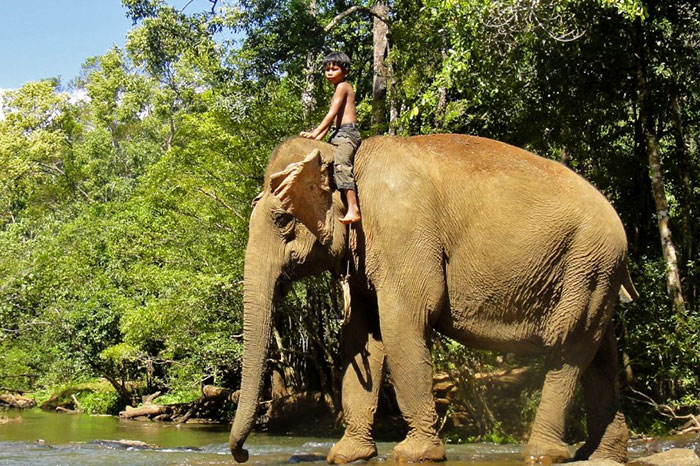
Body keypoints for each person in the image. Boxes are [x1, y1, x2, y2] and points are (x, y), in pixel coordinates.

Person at [300, 51, 361, 224]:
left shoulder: (344, 87)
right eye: (327, 69)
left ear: (345, 71)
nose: (329, 72)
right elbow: (332, 124)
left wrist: (315, 132)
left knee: (341, 164)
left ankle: (353, 208)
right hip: (336, 133)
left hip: (347, 134)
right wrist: (317, 138)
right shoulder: (337, 89)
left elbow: (331, 113)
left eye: (334, 69)